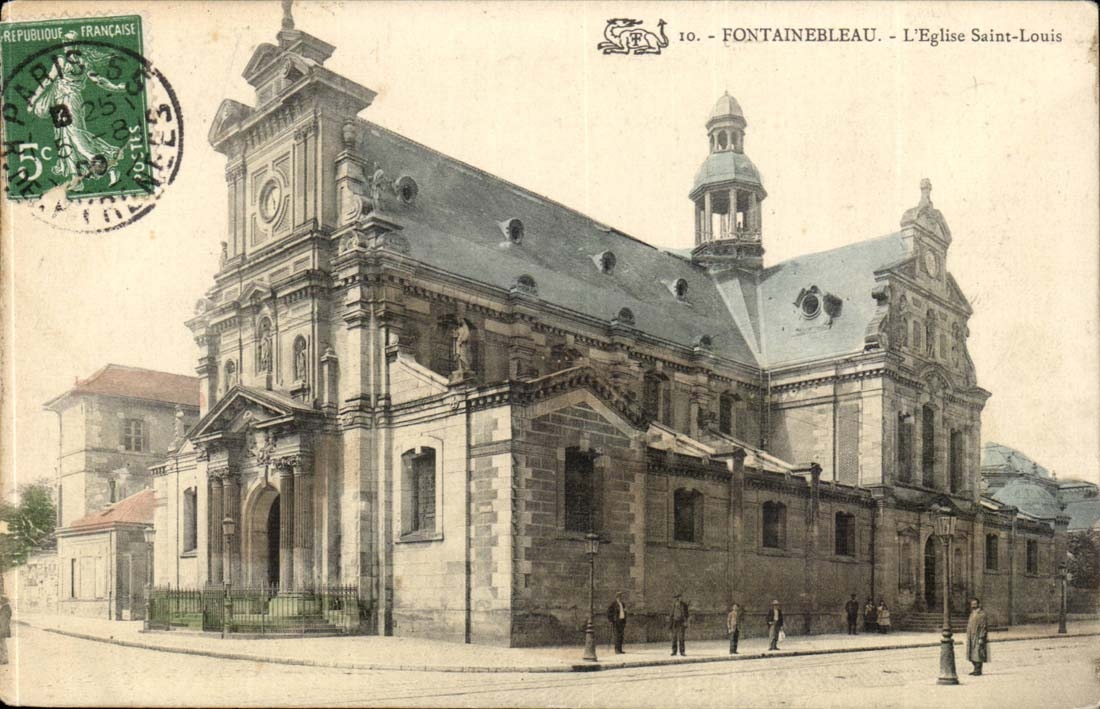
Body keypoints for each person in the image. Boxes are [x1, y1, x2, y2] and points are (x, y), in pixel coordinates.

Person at [966, 598, 989, 676]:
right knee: (972, 653)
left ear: (978, 604)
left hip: (978, 636)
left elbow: (983, 626)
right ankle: (975, 669)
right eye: (972, 604)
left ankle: (978, 670)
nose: (973, 605)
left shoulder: (981, 614)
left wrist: (981, 637)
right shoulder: (972, 613)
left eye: (975, 604)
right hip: (971, 636)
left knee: (978, 653)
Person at [0, 595, 11, 665]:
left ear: (4, 601)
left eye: (1, 600)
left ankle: (4, 659)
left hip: (2, 629)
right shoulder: (5, 607)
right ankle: (4, 659)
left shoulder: (5, 608)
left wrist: (1, 630)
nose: (0, 601)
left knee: (2, 645)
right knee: (2, 644)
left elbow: (3, 620)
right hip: (3, 628)